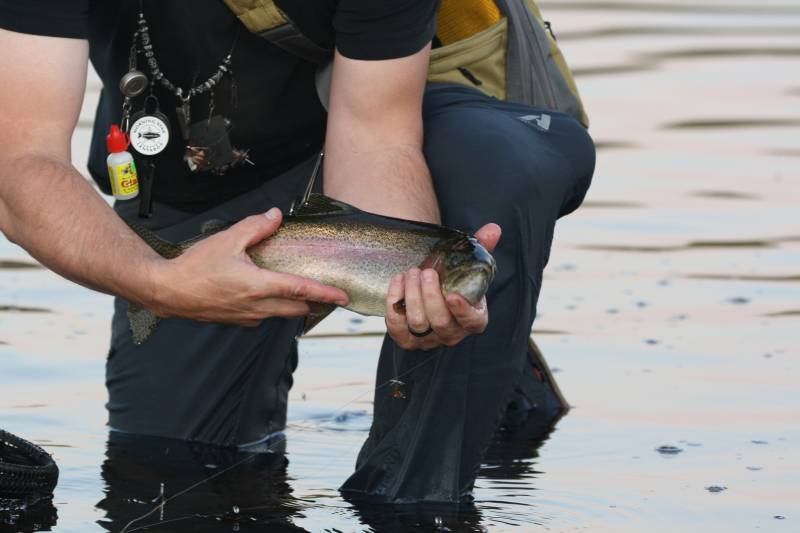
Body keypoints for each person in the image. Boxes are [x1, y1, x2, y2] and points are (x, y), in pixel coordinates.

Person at [0, 0, 595, 504]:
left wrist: (411, 293)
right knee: (165, 466)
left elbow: (377, 136)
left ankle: (414, 501)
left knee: (496, 169)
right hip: (210, 165)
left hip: (422, 119)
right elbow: (19, 162)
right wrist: (157, 281)